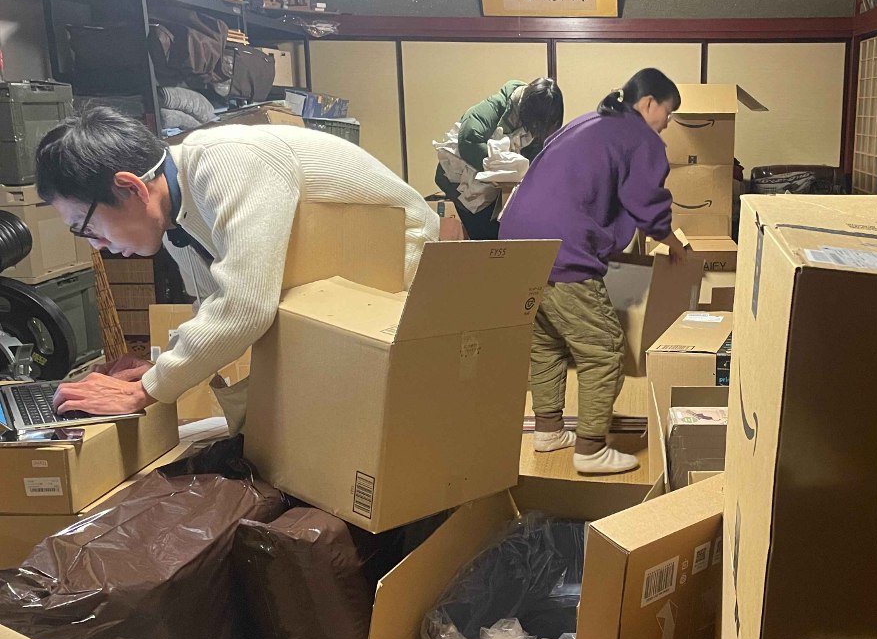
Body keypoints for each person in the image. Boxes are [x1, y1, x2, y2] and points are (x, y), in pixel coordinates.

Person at [36, 107, 438, 426]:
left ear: (131, 187)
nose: (96, 244)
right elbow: (215, 307)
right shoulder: (174, 214)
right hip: (334, 266)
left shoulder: (227, 161)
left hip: (396, 254)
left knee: (342, 408)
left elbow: (246, 306)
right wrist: (157, 369)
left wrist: (146, 390)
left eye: (85, 226)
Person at [500, 68, 690, 475]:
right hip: (561, 246)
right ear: (648, 103)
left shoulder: (591, 120)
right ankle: (591, 450)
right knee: (604, 348)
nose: (668, 122)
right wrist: (675, 245)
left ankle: (548, 430)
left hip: (515, 242)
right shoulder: (641, 138)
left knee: (547, 341)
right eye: (668, 111)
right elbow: (647, 203)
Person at [434, 78, 563, 240]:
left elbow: (535, 157)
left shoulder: (537, 122)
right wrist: (504, 170)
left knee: (506, 234)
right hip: (462, 182)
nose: (538, 129)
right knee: (488, 238)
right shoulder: (496, 107)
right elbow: (469, 139)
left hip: (495, 188)